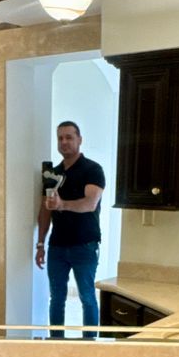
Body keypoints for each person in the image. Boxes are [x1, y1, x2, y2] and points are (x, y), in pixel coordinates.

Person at [35, 120, 106, 339]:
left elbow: (90, 204)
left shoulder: (93, 170)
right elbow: (45, 210)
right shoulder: (52, 174)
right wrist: (40, 244)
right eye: (60, 138)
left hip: (85, 245)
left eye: (69, 137)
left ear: (79, 139)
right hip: (57, 246)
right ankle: (56, 342)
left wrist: (62, 204)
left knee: (87, 297)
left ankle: (89, 344)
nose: (64, 142)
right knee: (56, 298)